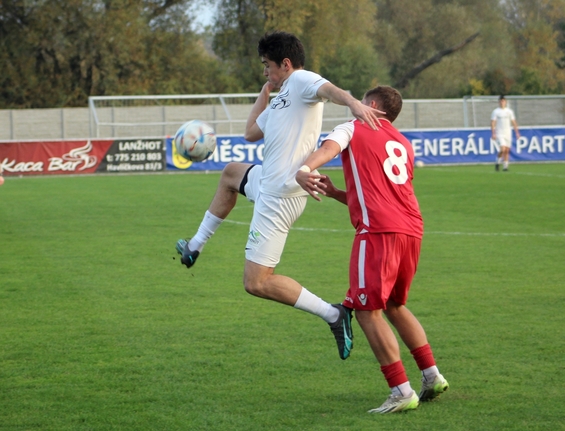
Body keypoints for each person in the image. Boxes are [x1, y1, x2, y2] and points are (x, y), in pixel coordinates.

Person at [176, 31, 383, 360]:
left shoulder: (301, 80)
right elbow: (250, 133)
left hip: (280, 196)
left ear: (286, 64)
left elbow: (329, 89)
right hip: (267, 180)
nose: (264, 71)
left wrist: (354, 103)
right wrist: (267, 90)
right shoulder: (284, 96)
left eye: (267, 66)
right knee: (231, 172)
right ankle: (194, 246)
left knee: (256, 282)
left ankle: (334, 314)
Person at [295, 85, 449, 414]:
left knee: (366, 310)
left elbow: (329, 148)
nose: (356, 105)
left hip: (378, 232)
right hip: (411, 230)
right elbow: (383, 195)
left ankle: (401, 390)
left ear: (372, 105)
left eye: (361, 101)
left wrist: (305, 170)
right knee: (394, 304)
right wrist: (337, 193)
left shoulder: (354, 127)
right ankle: (432, 375)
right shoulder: (403, 143)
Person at [491, 95, 520, 171]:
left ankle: (505, 167)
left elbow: (513, 122)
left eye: (503, 101)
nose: (502, 102)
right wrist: (493, 133)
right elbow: (493, 123)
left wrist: (517, 133)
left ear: (505, 102)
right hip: (499, 133)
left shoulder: (509, 111)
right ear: (499, 102)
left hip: (508, 133)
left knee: (507, 150)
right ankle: (497, 162)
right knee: (502, 149)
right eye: (500, 101)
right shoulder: (496, 111)